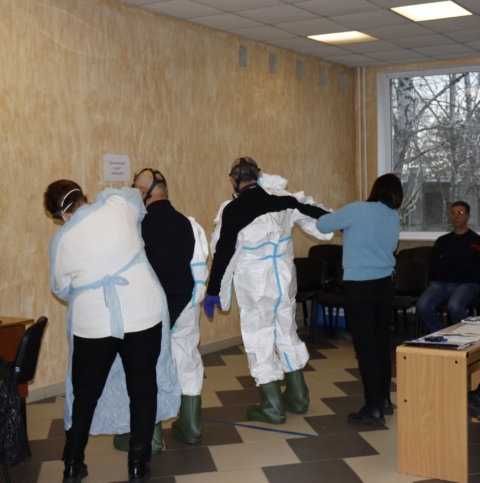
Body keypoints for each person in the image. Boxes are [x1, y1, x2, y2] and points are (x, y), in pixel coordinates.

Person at [45, 180, 181, 483]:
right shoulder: (117, 204)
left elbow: (61, 288)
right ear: (86, 196)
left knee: (84, 395)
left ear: (61, 215)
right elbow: (134, 197)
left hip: (92, 322)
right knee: (142, 391)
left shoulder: (61, 240)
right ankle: (137, 464)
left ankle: (72, 464)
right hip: (142, 311)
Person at [204, 157, 332, 424]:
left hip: (255, 284)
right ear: (259, 174)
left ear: (233, 180)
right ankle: (298, 396)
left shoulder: (233, 209)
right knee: (286, 331)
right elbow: (316, 215)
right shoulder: (283, 199)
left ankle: (273, 404)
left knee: (259, 336)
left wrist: (214, 290)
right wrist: (342, 221)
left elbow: (223, 254)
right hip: (284, 279)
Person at [114, 168, 208, 450]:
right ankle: (191, 426)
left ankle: (151, 438)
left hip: (150, 310)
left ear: (143, 192)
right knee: (187, 358)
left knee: (146, 367)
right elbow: (199, 269)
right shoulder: (190, 224)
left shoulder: (135, 227)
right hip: (187, 304)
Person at [317, 173, 403, 426]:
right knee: (381, 345)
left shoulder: (357, 209)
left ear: (376, 189)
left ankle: (373, 408)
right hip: (385, 285)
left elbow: (322, 224)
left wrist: (342, 222)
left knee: (366, 349)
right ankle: (384, 400)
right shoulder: (393, 216)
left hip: (361, 286)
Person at [416, 201, 480, 333]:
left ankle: (468, 335)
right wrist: (459, 259)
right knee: (422, 305)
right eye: (453, 213)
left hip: (467, 284)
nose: (456, 216)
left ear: (468, 216)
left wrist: (446, 258)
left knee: (455, 306)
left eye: (460, 213)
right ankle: (440, 335)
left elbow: (469, 264)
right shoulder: (442, 240)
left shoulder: (476, 240)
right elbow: (434, 264)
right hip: (442, 284)